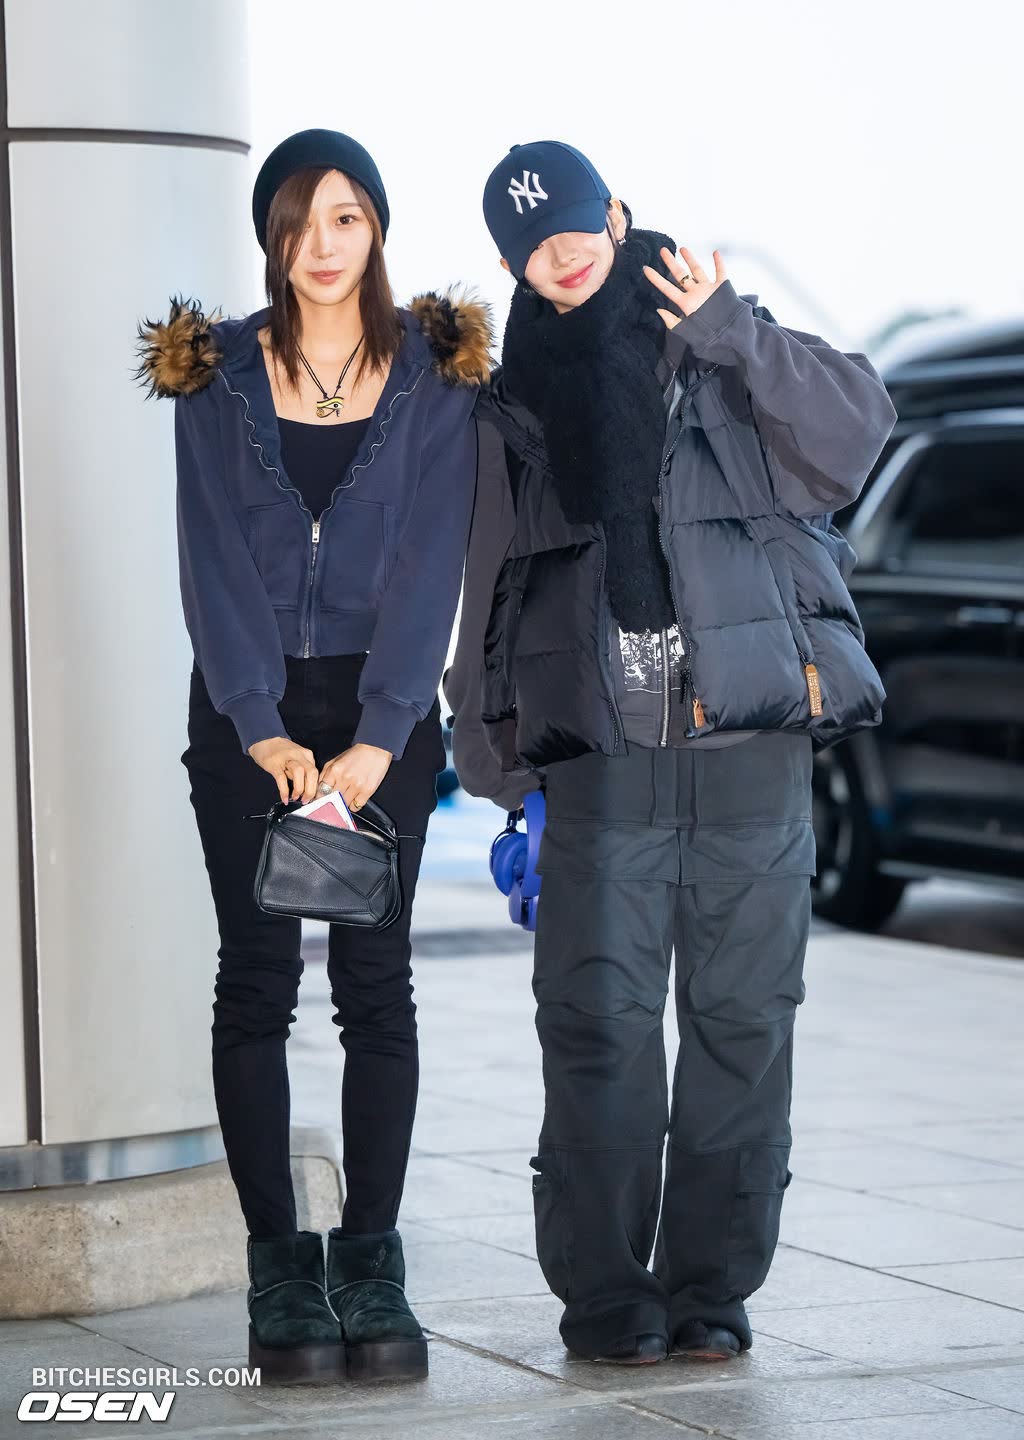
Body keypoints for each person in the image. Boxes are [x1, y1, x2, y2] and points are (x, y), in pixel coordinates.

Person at [444, 139, 896, 1367]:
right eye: (531, 241)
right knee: (596, 1028)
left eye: (573, 221)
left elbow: (856, 432)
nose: (560, 249)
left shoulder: (717, 342)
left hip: (745, 746)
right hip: (602, 761)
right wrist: (500, 767)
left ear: (616, 214)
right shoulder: (512, 404)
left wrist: (730, 329)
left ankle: (708, 1291)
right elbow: (486, 583)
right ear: (511, 264)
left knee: (743, 1026)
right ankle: (605, 1298)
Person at [134, 128, 491, 1384]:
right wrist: (260, 721)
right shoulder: (216, 377)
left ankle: (373, 1263)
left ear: (376, 228)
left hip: (382, 709)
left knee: (377, 989)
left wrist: (383, 733)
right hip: (250, 714)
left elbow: (431, 561)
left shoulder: (436, 378)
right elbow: (211, 560)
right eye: (300, 220)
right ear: (271, 238)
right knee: (257, 982)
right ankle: (280, 1270)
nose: (324, 244)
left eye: (347, 217)